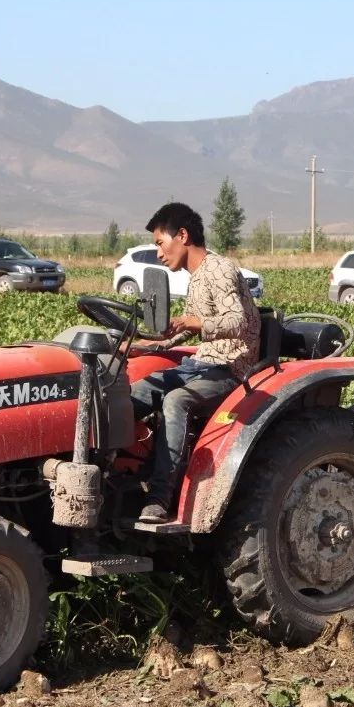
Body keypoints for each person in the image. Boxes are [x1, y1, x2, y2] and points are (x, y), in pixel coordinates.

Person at [129, 202, 260, 523]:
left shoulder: (219, 269)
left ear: (183, 235)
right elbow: (187, 328)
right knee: (134, 394)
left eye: (160, 243)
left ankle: (160, 497)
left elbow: (238, 320)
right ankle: (117, 476)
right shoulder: (196, 277)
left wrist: (196, 324)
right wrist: (146, 347)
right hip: (201, 365)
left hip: (230, 369)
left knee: (175, 401)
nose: (158, 253)